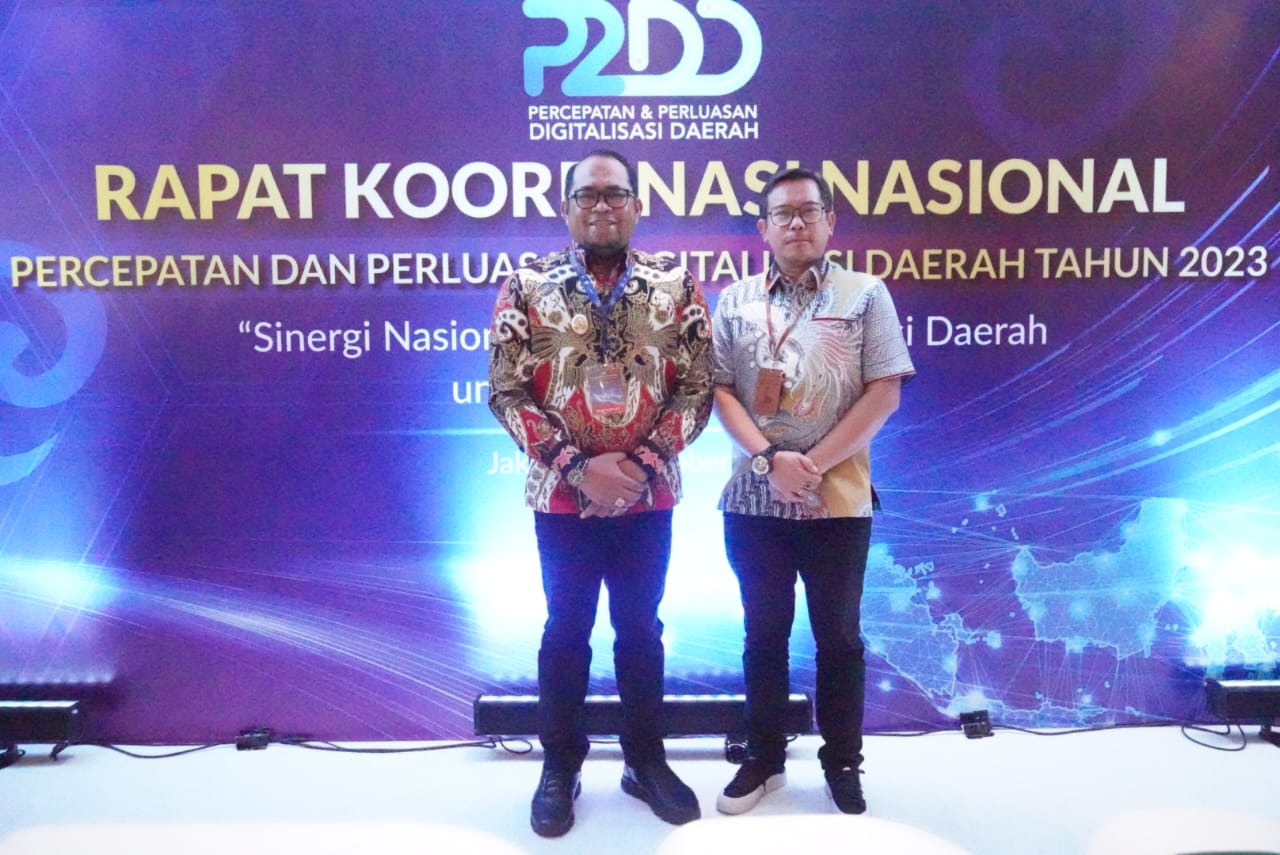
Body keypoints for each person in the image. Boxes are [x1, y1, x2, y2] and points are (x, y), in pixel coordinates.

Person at [487, 149, 713, 837]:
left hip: (650, 497)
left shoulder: (675, 284)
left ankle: (645, 759)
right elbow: (505, 391)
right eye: (588, 195)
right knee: (566, 630)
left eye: (615, 194)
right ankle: (561, 763)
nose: (602, 206)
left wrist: (639, 464)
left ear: (637, 205)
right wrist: (578, 468)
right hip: (563, 500)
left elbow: (698, 387)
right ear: (566, 208)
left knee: (641, 630)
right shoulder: (526, 285)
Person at [710, 166, 914, 816]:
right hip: (754, 502)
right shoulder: (735, 301)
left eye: (808, 211)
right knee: (763, 634)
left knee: (840, 639)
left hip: (839, 501)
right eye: (783, 213)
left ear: (831, 222)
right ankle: (764, 758)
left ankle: (843, 762)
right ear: (763, 228)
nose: (796, 223)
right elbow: (719, 391)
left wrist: (812, 465)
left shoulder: (866, 295)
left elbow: (885, 391)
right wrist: (772, 460)